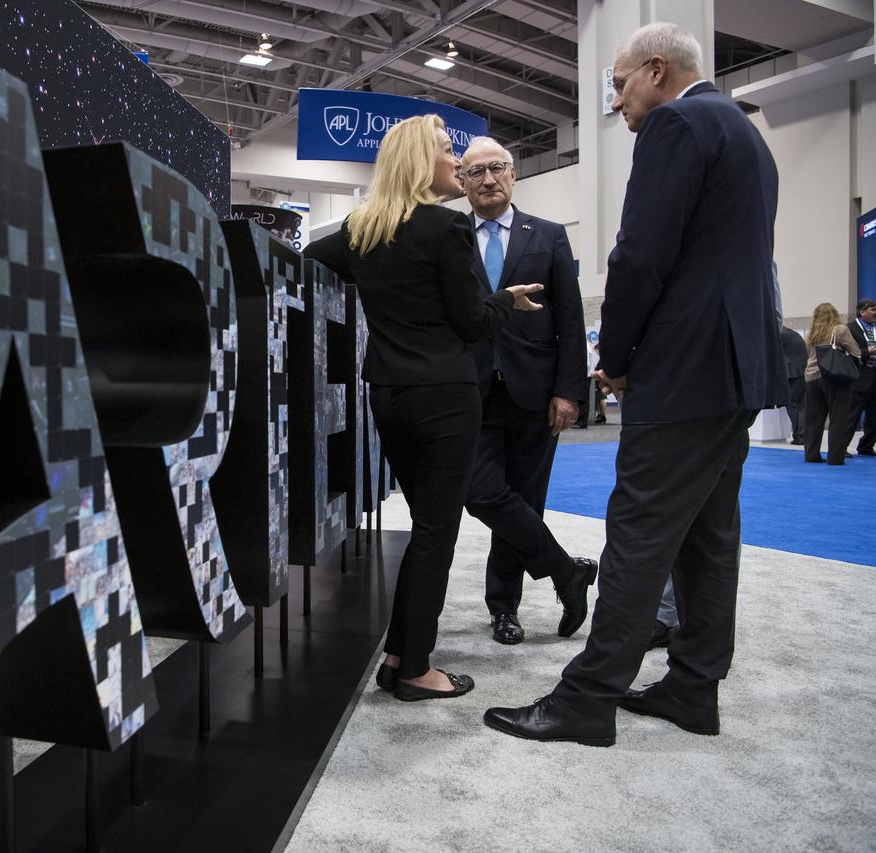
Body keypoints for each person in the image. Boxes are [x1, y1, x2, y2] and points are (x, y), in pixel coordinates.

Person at [483, 22, 786, 745]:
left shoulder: (678, 124)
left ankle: (587, 699)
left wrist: (613, 356)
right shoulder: (746, 133)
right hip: (736, 365)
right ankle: (692, 686)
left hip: (683, 366)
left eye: (618, 84)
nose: (615, 102)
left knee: (640, 530)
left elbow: (639, 257)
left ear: (656, 71)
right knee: (710, 534)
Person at [303, 115, 544, 702]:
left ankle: (398, 656)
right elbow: (471, 323)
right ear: (420, 162)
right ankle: (414, 669)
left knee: (427, 530)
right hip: (445, 398)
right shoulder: (445, 228)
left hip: (389, 395)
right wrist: (504, 302)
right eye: (446, 150)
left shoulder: (362, 229)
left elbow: (310, 253)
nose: (456, 162)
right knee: (437, 534)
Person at [453, 136, 598, 646]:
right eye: (475, 173)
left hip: (536, 394)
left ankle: (504, 609)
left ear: (513, 175)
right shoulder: (450, 235)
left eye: (496, 169)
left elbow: (572, 321)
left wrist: (569, 390)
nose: (488, 180)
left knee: (526, 502)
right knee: (482, 494)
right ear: (462, 182)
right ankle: (566, 571)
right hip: (469, 391)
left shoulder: (550, 236)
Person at [801, 302, 860, 465]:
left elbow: (808, 354)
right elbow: (855, 351)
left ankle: (811, 454)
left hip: (812, 378)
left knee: (813, 419)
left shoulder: (810, 334)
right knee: (838, 418)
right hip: (835, 377)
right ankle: (835, 457)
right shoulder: (840, 330)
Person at [844, 300, 876, 454]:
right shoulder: (849, 329)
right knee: (852, 416)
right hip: (858, 378)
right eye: (873, 310)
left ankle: (866, 446)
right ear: (862, 311)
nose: (875, 313)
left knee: (874, 417)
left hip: (874, 378)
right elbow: (847, 352)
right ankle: (841, 448)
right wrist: (867, 352)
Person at [780, 324, 808, 444]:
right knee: (801, 405)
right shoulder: (789, 332)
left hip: (793, 372)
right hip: (801, 371)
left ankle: (800, 436)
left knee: (792, 404)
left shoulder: (780, 334)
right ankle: (803, 436)